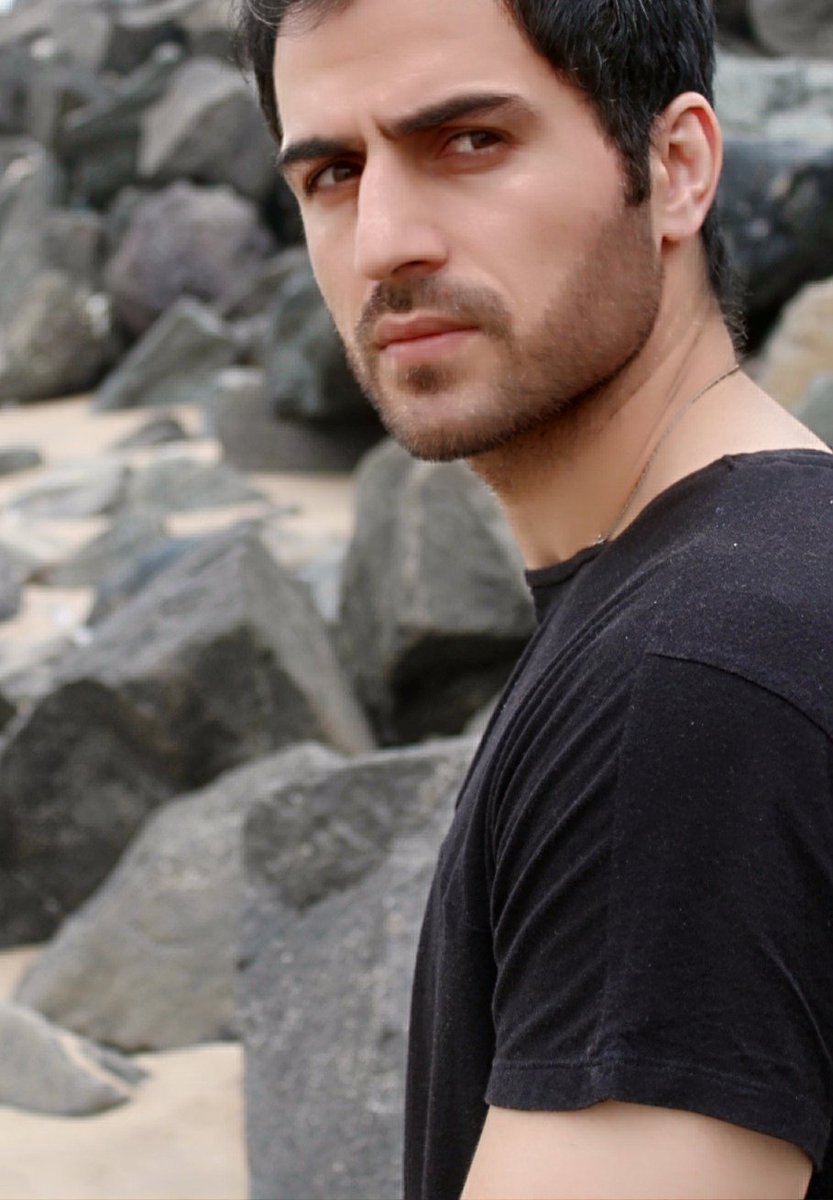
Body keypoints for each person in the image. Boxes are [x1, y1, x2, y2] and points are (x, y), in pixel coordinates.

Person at [236, 0, 833, 1195]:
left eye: (468, 142)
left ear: (675, 167)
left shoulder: (688, 682)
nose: (383, 243)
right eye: (334, 174)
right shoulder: (766, 573)